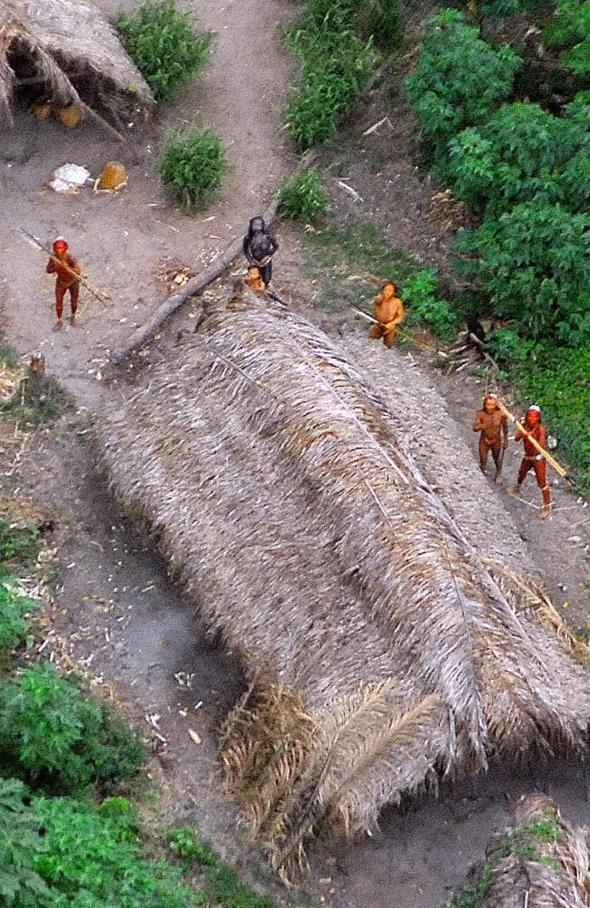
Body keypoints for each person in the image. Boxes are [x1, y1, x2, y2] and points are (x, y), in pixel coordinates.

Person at [512, 404, 551, 519]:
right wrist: (523, 433)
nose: (532, 419)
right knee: (521, 473)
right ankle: (517, 487)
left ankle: (547, 506)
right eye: (530, 416)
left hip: (538, 459)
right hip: (527, 457)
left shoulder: (540, 429)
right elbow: (516, 438)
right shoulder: (524, 426)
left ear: (538, 418)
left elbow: (541, 445)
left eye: (535, 417)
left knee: (542, 483)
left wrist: (530, 436)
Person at [46, 237, 81, 330]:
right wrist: (55, 267)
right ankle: (59, 320)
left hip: (73, 281)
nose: (59, 251)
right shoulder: (53, 258)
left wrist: (67, 268)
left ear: (65, 248)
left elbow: (78, 271)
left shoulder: (70, 257)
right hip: (61, 282)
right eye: (58, 248)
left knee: (74, 301)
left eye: (61, 248)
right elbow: (48, 270)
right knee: (59, 302)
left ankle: (73, 316)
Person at [473, 393, 508, 482]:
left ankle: (498, 472)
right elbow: (475, 428)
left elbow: (505, 427)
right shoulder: (480, 414)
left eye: (492, 405)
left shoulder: (500, 414)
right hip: (484, 440)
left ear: (496, 405)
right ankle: (482, 473)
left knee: (496, 458)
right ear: (485, 405)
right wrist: (483, 425)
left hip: (496, 440)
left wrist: (506, 440)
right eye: (488, 404)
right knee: (483, 458)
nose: (490, 407)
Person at [242, 216, 278, 287]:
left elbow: (276, 246)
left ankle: (266, 287)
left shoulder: (267, 236)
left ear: (262, 226)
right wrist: (251, 261)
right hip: (255, 261)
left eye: (258, 225)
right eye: (254, 224)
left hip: (266, 261)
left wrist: (269, 255)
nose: (256, 227)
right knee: (255, 277)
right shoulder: (248, 238)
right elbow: (246, 251)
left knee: (267, 278)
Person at [368, 281, 405, 349]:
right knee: (371, 342)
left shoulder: (397, 302)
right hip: (378, 324)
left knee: (388, 345)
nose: (387, 292)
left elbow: (400, 316)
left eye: (390, 291)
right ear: (383, 291)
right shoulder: (379, 299)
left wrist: (392, 323)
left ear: (394, 292)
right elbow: (374, 310)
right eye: (385, 290)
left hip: (390, 327)